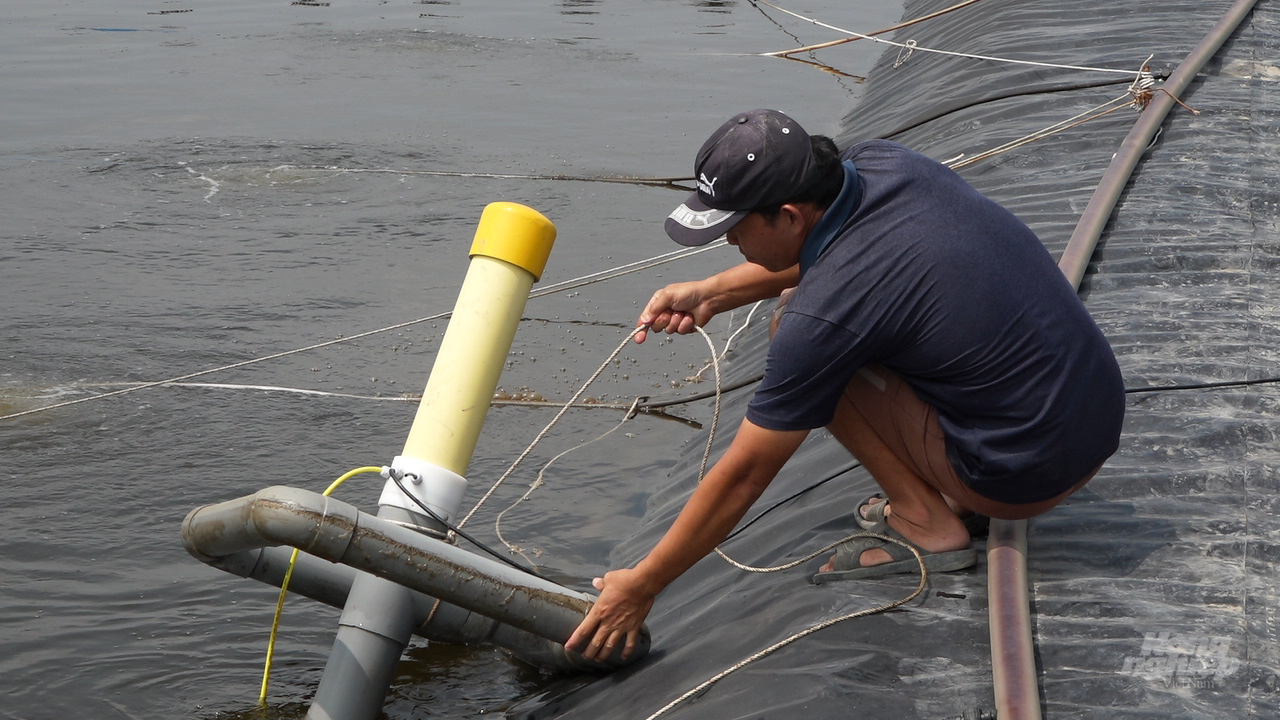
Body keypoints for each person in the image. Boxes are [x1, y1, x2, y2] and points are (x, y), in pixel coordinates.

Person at [564, 108, 1124, 662]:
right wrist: (714, 292)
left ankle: (927, 524)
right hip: (1089, 416)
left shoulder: (824, 319)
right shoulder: (881, 164)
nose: (730, 242)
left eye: (735, 228)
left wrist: (642, 585)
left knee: (798, 326)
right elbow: (842, 259)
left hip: (1027, 471)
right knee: (843, 323)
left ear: (786, 215)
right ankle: (954, 483)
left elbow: (747, 473)